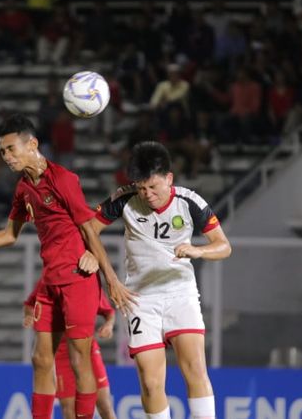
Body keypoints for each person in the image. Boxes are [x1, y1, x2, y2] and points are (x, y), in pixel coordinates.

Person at [0, 114, 133, 419]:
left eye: (11, 149)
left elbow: (89, 230)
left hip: (78, 280)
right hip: (50, 282)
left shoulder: (63, 179)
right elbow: (9, 235)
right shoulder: (24, 188)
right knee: (40, 359)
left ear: (33, 144)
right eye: (2, 152)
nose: (7, 157)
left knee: (80, 360)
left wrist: (112, 280)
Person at [87, 141, 232, 419]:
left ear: (169, 178)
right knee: (151, 384)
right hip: (140, 300)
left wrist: (198, 250)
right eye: (141, 188)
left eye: (153, 187)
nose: (147, 194)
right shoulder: (125, 199)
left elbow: (224, 246)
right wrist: (108, 275)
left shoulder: (189, 202)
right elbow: (89, 229)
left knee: (195, 369)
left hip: (181, 294)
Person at [23, 280, 117, 419]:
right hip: (62, 354)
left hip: (86, 351)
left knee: (104, 405)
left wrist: (109, 325)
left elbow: (108, 312)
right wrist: (29, 315)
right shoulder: (48, 280)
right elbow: (30, 304)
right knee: (69, 410)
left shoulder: (86, 281)